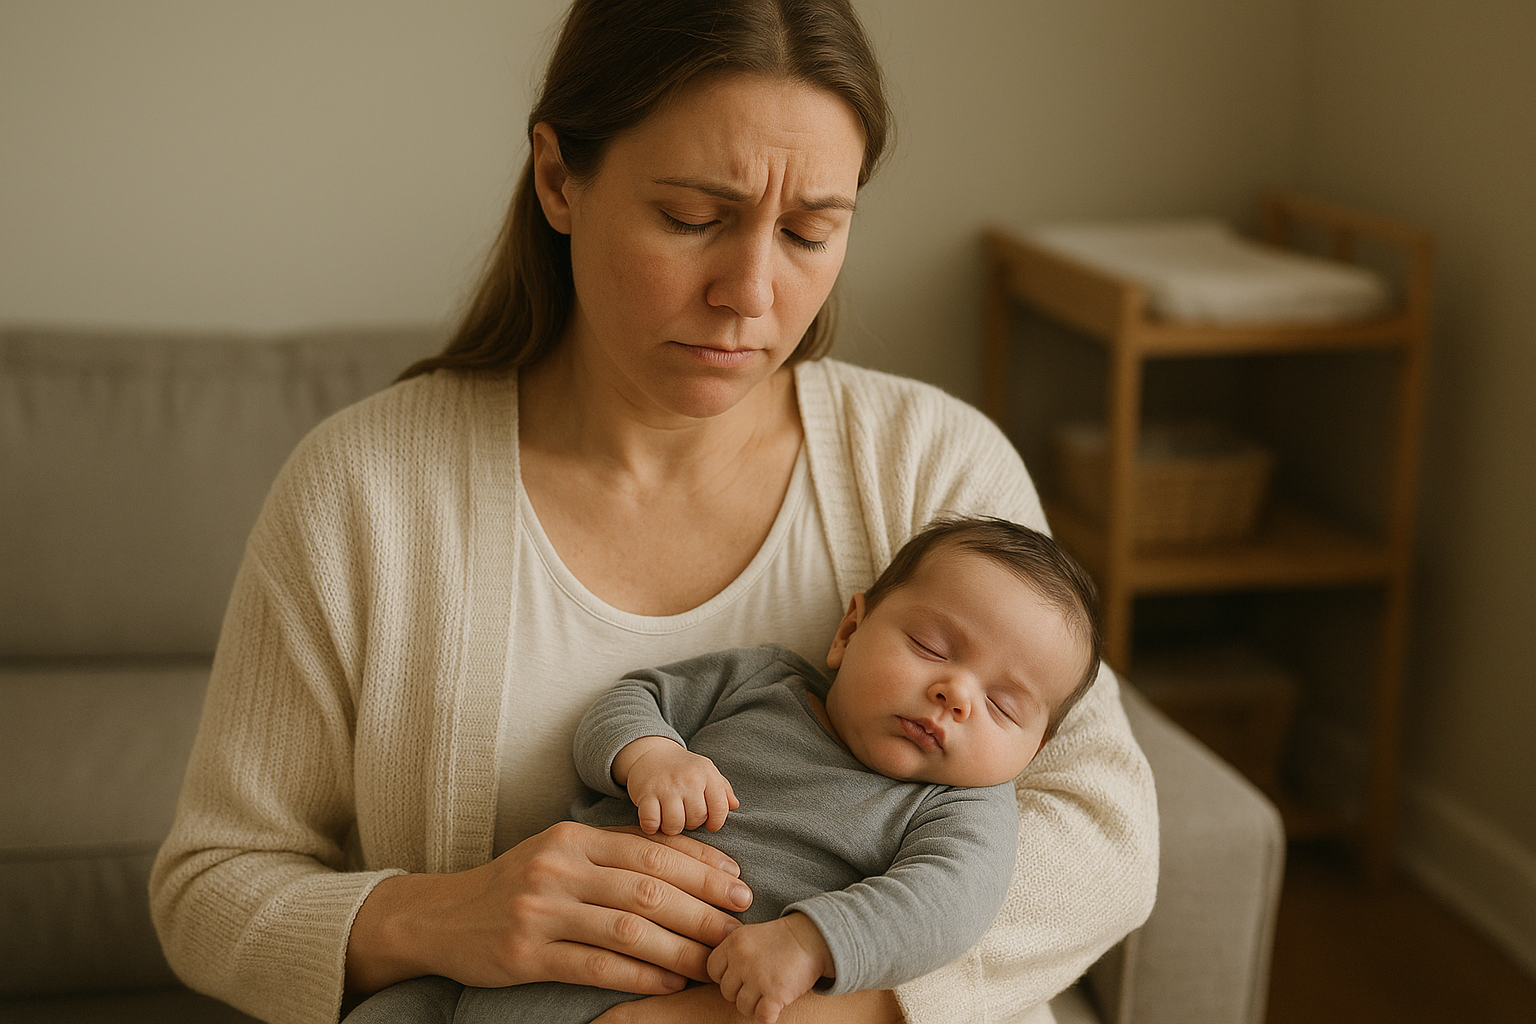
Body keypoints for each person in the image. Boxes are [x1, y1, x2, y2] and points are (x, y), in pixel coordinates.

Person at [149, 2, 1159, 1024]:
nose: (751, 293)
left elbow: (1105, 838)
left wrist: (777, 1009)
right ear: (558, 179)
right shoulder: (364, 491)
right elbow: (210, 888)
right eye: (691, 218)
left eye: (811, 231)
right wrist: (444, 916)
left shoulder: (932, 463)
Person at [346, 516, 1103, 1024]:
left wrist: (811, 943)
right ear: (850, 629)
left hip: (665, 997)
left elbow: (944, 904)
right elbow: (634, 698)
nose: (955, 695)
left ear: (1032, 753)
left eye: (1004, 707)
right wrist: (652, 754)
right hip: (498, 967)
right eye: (933, 648)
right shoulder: (764, 680)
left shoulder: (957, 808)